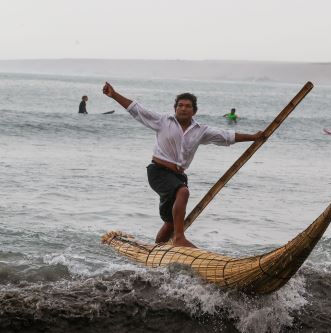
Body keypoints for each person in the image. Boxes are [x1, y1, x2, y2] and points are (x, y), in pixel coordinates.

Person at [102, 82, 264, 248]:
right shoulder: (163, 121)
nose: (183, 108)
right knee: (183, 192)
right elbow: (137, 109)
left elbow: (227, 136)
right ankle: (179, 238)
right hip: (158, 171)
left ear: (194, 111)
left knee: (170, 222)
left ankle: (157, 250)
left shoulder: (200, 130)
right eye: (180, 105)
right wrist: (114, 94)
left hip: (178, 176)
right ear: (175, 108)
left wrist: (252, 137)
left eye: (188, 106)